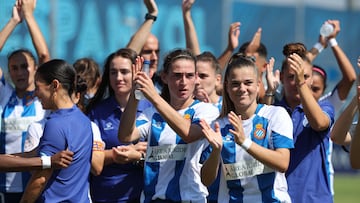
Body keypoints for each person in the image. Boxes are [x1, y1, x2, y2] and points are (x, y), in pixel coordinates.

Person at [118, 48, 219, 202]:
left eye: (189, 75)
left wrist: (154, 97)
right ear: (164, 77)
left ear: (196, 78)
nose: (183, 82)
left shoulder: (205, 110)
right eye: (177, 75)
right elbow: (125, 135)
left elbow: (188, 133)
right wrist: (135, 93)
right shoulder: (152, 113)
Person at [199, 53, 294, 202]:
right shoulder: (218, 125)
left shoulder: (275, 115)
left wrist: (244, 142)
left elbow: (282, 163)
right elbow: (206, 180)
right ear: (227, 88)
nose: (242, 88)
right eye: (235, 84)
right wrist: (216, 151)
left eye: (248, 83)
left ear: (258, 85)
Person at [20, 59, 93, 202]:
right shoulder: (84, 120)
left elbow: (40, 179)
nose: (35, 93)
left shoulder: (56, 124)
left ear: (54, 85)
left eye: (38, 87)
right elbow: (34, 156)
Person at [0, 0, 50, 201]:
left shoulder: (45, 97)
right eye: (14, 67)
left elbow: (45, 56)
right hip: (6, 187)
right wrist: (13, 21)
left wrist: (29, 16)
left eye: (25, 66)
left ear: (35, 68)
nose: (20, 72)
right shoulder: (4, 94)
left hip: (38, 184)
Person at [275, 43, 334, 203]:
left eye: (304, 76)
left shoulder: (323, 107)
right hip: (280, 199)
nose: (298, 81)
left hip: (315, 199)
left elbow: (319, 123)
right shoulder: (273, 111)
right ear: (281, 77)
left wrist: (301, 84)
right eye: (291, 77)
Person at [86, 48, 146, 203]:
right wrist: (120, 154)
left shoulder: (151, 109)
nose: (118, 77)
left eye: (124, 71)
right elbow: (90, 159)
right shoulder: (96, 112)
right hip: (106, 196)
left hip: (145, 195)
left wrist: (141, 155)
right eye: (113, 72)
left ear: (136, 73)